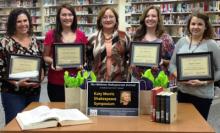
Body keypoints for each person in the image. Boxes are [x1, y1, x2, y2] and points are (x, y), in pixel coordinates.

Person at [169, 11, 220, 120]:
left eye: (200, 24)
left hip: (203, 96)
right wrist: (179, 77)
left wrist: (205, 81)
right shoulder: (181, 42)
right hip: (183, 93)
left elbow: (219, 70)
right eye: (193, 24)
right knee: (182, 126)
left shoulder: (212, 45)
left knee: (199, 127)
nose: (195, 27)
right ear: (188, 25)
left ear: (206, 27)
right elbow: (172, 65)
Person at [0, 8, 45, 124]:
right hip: (12, 92)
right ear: (13, 23)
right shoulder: (4, 43)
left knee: (32, 124)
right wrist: (16, 83)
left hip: (33, 91)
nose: (23, 24)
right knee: (14, 124)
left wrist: (40, 78)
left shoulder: (36, 42)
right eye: (19, 21)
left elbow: (43, 65)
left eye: (25, 21)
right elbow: (1, 70)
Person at [43, 4, 88, 102]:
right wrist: (54, 62)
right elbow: (45, 56)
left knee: (75, 111)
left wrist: (82, 64)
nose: (67, 17)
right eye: (64, 15)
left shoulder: (81, 35)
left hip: (76, 81)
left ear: (74, 17)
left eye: (70, 14)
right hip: (56, 81)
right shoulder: (50, 34)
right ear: (59, 17)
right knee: (58, 111)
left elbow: (84, 58)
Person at [130, 5, 174, 87]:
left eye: (153, 16)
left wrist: (162, 61)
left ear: (158, 19)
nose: (150, 18)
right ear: (144, 18)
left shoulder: (166, 39)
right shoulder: (137, 36)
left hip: (158, 81)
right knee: (139, 100)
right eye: (147, 16)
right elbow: (132, 55)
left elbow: (173, 62)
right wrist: (132, 62)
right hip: (138, 79)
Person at [86, 6, 130, 81]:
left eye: (111, 17)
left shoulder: (124, 36)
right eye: (104, 17)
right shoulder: (92, 38)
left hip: (120, 81)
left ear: (116, 19)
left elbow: (130, 56)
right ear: (100, 20)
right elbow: (87, 59)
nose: (108, 19)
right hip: (98, 80)